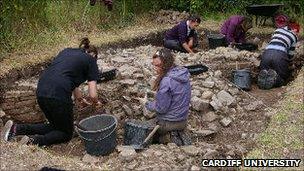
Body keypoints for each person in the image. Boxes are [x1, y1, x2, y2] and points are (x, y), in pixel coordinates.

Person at [1, 37, 102, 146]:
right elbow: (93, 95)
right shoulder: (91, 60)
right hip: (59, 94)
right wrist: (96, 103)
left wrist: (79, 99)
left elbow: (67, 79)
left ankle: (17, 129)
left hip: (41, 89)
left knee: (55, 126)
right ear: (93, 55)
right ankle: (33, 141)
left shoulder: (66, 52)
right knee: (65, 133)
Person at [140, 48, 191, 144]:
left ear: (166, 63)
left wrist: (146, 103)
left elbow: (161, 109)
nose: (155, 68)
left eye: (158, 65)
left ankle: (166, 139)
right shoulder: (182, 74)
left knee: (143, 130)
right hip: (182, 120)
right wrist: (158, 95)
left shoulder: (166, 81)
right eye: (154, 65)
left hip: (169, 122)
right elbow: (176, 95)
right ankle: (175, 134)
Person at [257, 21, 300, 89]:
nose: (297, 34)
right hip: (280, 56)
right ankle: (275, 79)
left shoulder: (277, 30)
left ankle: (264, 79)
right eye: (297, 32)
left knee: (265, 72)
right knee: (283, 77)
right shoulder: (294, 36)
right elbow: (290, 55)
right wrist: (290, 65)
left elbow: (272, 41)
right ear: (295, 30)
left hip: (266, 54)